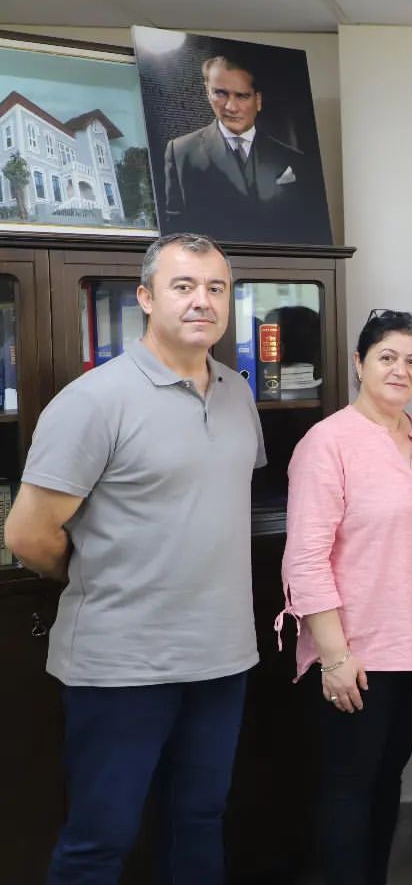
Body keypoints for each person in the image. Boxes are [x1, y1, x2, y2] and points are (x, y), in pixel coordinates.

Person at [4, 233, 263, 883]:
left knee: (200, 823)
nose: (201, 301)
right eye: (183, 286)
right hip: (121, 668)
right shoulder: (94, 401)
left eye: (215, 288)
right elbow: (28, 534)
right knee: (101, 839)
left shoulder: (238, 393)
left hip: (220, 660)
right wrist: (107, 571)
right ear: (146, 297)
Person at [279, 309, 412, 885]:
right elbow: (304, 559)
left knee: (387, 782)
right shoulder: (328, 443)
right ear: (359, 363)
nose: (400, 370)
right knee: (347, 791)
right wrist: (335, 656)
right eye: (387, 357)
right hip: (353, 654)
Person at [163, 54, 330, 246]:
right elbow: (174, 232)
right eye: (220, 93)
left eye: (242, 96)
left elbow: (308, 225)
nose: (231, 107)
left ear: (258, 100)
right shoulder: (181, 152)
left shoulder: (292, 158)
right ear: (207, 93)